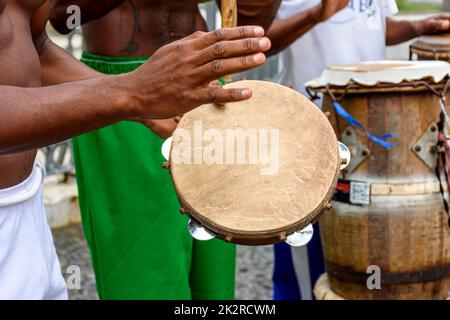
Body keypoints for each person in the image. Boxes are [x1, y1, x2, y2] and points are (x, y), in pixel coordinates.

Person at [0, 0, 271, 300]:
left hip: (178, 88)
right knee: (144, 280)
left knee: (214, 282)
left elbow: (34, 45)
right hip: (123, 85)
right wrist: (130, 93)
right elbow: (65, 16)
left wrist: (138, 103)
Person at [266, 0, 450, 300]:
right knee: (303, 258)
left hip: (371, 126)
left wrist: (420, 26)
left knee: (362, 255)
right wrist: (315, 15)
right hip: (306, 129)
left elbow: (378, 28)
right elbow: (261, 39)